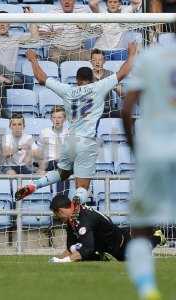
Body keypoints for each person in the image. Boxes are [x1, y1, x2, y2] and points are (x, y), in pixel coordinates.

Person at [15, 43, 137, 204]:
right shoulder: (98, 87)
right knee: (82, 186)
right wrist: (132, 53)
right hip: (87, 142)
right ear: (92, 79)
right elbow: (123, 72)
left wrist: (33, 61)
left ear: (77, 80)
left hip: (70, 141)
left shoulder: (68, 90)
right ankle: (77, 207)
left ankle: (34, 184)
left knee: (63, 173)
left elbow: (41, 78)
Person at [121, 28, 175, 300]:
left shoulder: (149, 58)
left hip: (153, 151)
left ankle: (147, 288)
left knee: (140, 227)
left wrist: (135, 150)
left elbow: (126, 108)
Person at [47, 194, 165, 263]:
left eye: (56, 214)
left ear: (61, 211)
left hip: (122, 246)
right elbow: (70, 246)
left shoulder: (84, 218)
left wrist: (65, 261)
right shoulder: (72, 218)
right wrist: (58, 259)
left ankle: (158, 237)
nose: (56, 217)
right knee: (81, 251)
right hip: (110, 244)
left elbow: (87, 249)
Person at [33, 106, 69, 194]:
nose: (57, 120)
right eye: (54, 117)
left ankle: (60, 199)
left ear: (64, 119)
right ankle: (61, 200)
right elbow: (38, 151)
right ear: (51, 119)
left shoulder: (69, 133)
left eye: (59, 117)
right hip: (48, 163)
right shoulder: (44, 132)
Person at [90, 49, 123, 118]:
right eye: (94, 60)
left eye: (100, 60)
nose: (97, 62)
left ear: (104, 61)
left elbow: (122, 94)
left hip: (107, 110)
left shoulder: (110, 74)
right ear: (90, 62)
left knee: (123, 115)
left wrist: (117, 88)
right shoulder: (87, 75)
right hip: (91, 110)